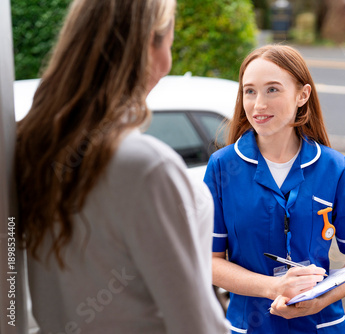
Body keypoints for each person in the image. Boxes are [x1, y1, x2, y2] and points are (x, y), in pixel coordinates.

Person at [15, 0, 228, 333]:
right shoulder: (147, 167)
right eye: (170, 41)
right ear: (150, 48)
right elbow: (197, 324)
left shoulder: (30, 149)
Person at [203, 45, 345, 333]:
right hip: (250, 326)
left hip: (322, 325)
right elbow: (208, 261)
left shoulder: (334, 167)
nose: (258, 105)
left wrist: (321, 301)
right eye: (250, 91)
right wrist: (273, 287)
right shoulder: (222, 167)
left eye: (272, 90)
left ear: (302, 95)